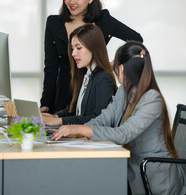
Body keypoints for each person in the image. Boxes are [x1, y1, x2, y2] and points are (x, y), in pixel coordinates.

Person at [50, 41, 186, 195]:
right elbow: (103, 119)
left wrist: (82, 129)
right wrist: (78, 132)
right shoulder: (123, 91)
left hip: (154, 175)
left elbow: (123, 134)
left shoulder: (152, 98)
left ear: (121, 69)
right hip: (132, 169)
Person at [40, 0, 143, 114]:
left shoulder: (103, 21)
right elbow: (50, 67)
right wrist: (45, 103)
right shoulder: (54, 23)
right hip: (63, 93)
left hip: (93, 91)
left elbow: (136, 40)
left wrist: (116, 63)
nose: (71, 2)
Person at [41, 24, 117, 126]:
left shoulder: (103, 77)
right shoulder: (85, 75)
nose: (73, 53)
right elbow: (76, 109)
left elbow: (98, 118)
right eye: (72, 48)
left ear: (94, 48)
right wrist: (55, 116)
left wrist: (59, 121)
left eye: (78, 48)